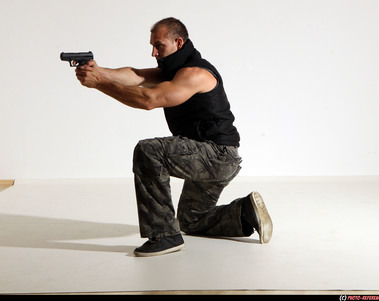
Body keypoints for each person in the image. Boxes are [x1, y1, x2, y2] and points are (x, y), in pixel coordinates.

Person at [74, 17, 273, 257]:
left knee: (149, 151)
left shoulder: (194, 74)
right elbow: (135, 75)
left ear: (178, 42)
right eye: (152, 46)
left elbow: (150, 100)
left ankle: (164, 235)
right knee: (191, 220)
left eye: (159, 46)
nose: (153, 52)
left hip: (216, 156)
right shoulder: (173, 70)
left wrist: (100, 84)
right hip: (210, 154)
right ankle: (244, 211)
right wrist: (97, 71)